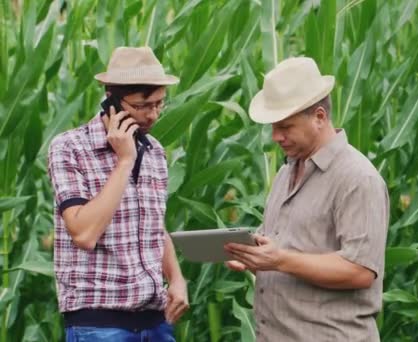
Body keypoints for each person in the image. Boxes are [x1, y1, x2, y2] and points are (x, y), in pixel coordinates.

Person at [225, 57, 389, 341]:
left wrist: (278, 260)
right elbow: (289, 248)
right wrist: (255, 256)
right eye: (273, 127)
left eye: (285, 127)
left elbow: (360, 270)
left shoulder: (357, 178)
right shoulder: (286, 172)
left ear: (319, 117)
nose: (276, 137)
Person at [47, 46, 188, 341]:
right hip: (99, 324)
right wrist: (125, 160)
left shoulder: (155, 152)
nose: (153, 115)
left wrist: (176, 278)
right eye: (142, 105)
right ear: (111, 98)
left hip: (156, 321)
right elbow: (84, 233)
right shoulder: (69, 148)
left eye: (160, 104)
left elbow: (154, 227)